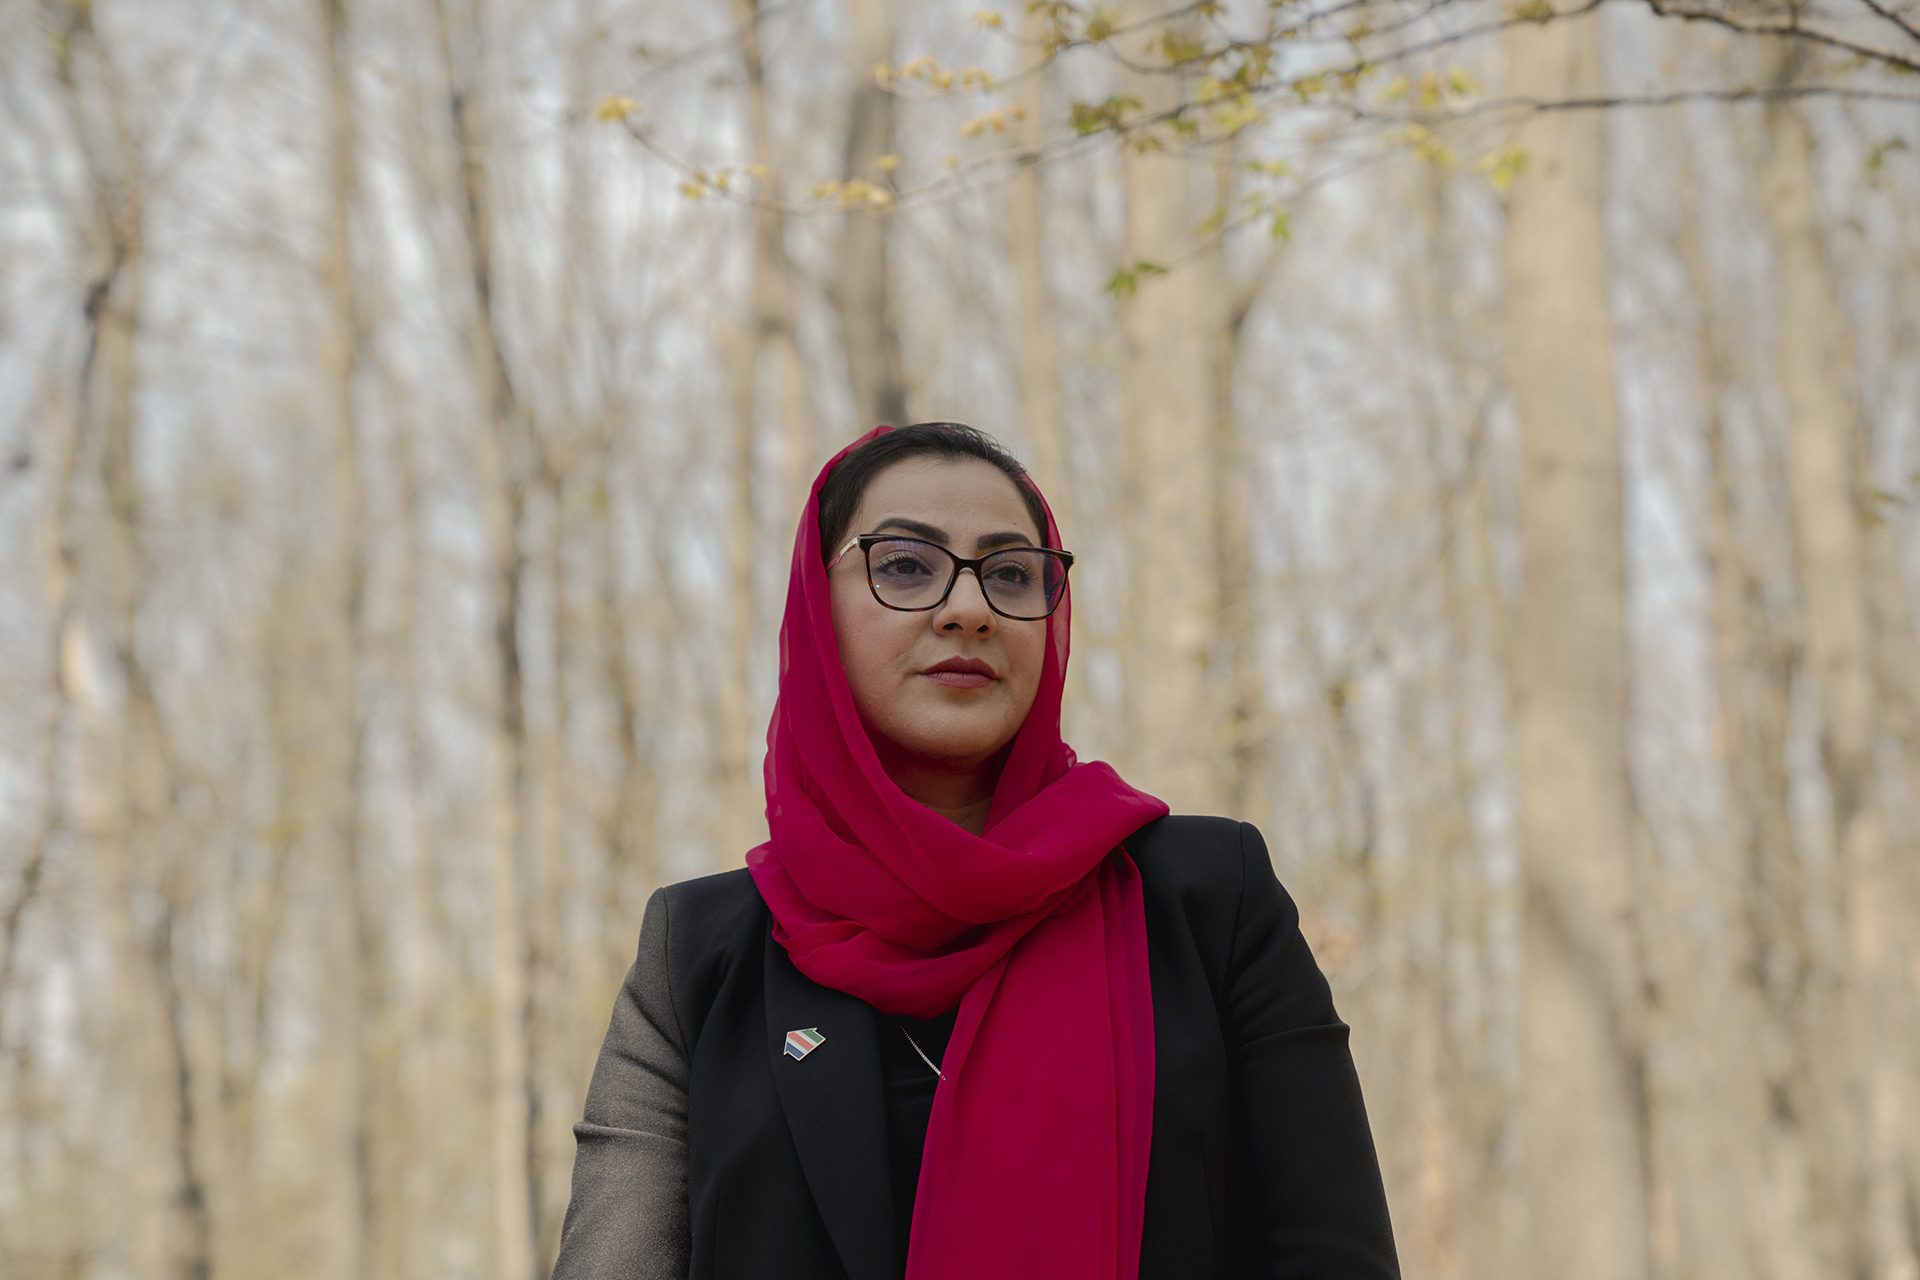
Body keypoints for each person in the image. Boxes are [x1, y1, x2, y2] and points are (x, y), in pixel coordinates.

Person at [551, 423, 1400, 1280]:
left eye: (1009, 573)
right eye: (907, 565)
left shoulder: (1209, 900)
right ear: (817, 607)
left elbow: (1334, 1254)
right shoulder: (697, 950)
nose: (969, 609)